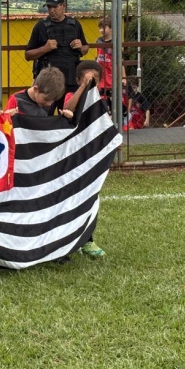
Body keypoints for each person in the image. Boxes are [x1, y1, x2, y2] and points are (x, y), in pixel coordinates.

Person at [62, 60, 107, 259]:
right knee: (69, 197)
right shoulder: (72, 95)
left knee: (90, 195)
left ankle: (87, 239)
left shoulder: (101, 101)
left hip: (90, 155)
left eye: (94, 80)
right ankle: (68, 241)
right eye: (86, 79)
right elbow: (68, 109)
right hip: (72, 155)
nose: (90, 83)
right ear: (78, 79)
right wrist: (82, 88)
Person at [25, 0, 89, 112]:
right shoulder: (41, 26)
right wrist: (45, 48)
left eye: (55, 6)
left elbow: (85, 48)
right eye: (49, 7)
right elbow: (28, 55)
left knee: (69, 116)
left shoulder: (74, 24)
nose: (52, 10)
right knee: (44, 118)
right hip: (49, 81)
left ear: (63, 6)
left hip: (70, 78)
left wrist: (81, 47)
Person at [95, 17, 127, 111]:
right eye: (100, 27)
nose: (101, 30)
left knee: (115, 106)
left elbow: (120, 61)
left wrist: (123, 77)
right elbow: (98, 57)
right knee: (102, 106)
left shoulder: (115, 43)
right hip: (101, 78)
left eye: (104, 27)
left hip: (112, 78)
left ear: (111, 28)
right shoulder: (98, 41)